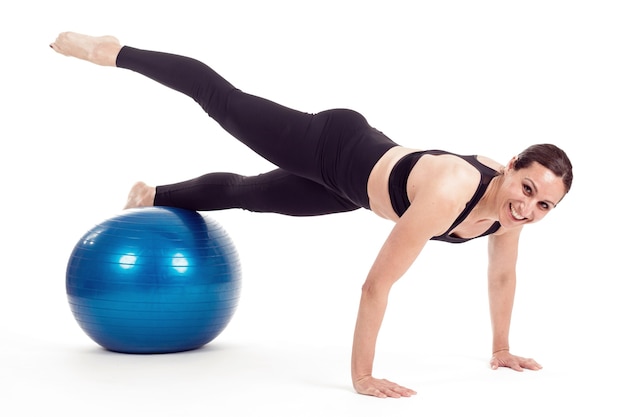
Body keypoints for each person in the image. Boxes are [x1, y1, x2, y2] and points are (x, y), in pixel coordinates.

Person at [50, 32, 573, 399]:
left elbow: (503, 274)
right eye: (527, 188)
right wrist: (362, 377)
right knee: (223, 101)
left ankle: (153, 194)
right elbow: (375, 286)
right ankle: (114, 51)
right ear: (510, 167)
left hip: (353, 192)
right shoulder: (451, 192)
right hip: (334, 146)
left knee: (247, 194)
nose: (528, 208)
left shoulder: (511, 216)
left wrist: (501, 349)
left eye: (544, 205)